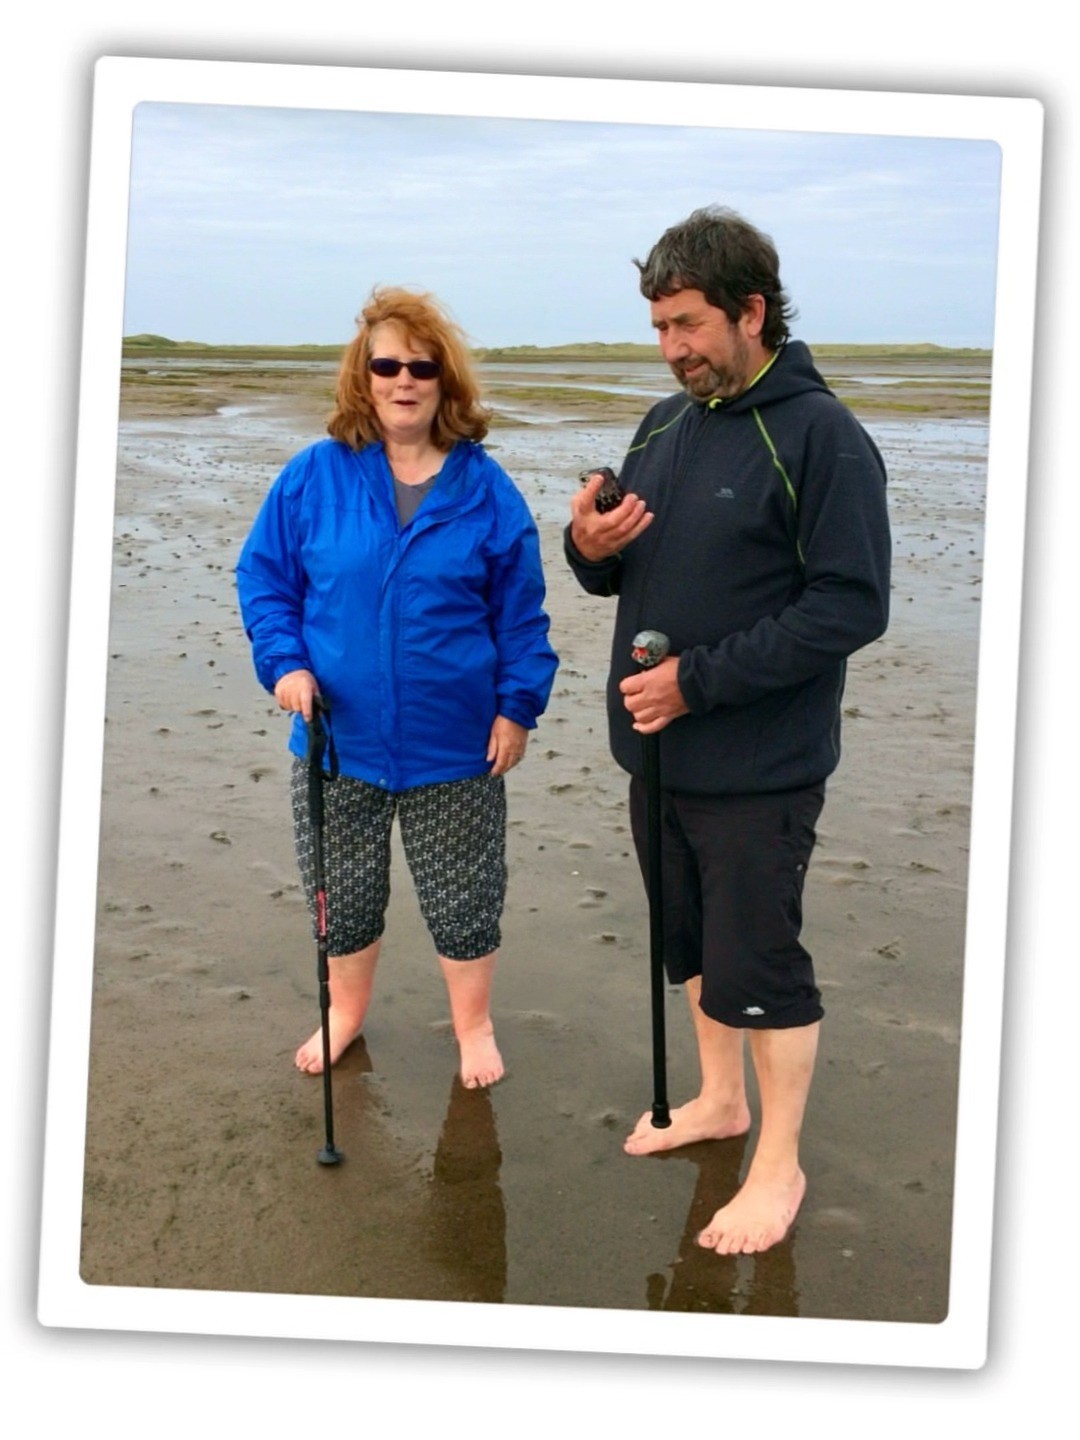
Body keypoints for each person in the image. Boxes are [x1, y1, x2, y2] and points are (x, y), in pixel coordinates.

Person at [565, 206, 891, 1253]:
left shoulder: (822, 436)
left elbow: (851, 604)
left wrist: (697, 685)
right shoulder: (665, 423)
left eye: (689, 325)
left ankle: (778, 1163)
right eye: (659, 327)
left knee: (761, 964)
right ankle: (719, 1101)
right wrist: (585, 542)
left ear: (753, 311)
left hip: (759, 766)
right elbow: (617, 566)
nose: (672, 349)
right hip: (656, 759)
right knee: (694, 948)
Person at [237, 286, 558, 1089]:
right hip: (338, 741)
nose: (404, 380)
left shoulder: (488, 492)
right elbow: (265, 580)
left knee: (464, 895)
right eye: (387, 365)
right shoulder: (314, 476)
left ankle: (472, 1026)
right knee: (341, 893)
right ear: (364, 376)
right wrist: (286, 665)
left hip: (457, 746)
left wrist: (517, 708)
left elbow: (522, 617)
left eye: (421, 366)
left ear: (445, 381)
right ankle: (345, 1012)